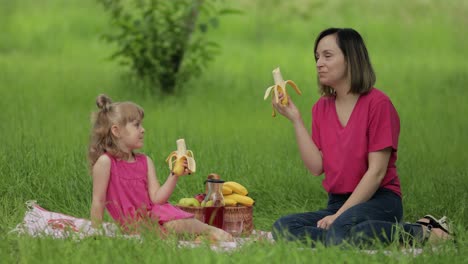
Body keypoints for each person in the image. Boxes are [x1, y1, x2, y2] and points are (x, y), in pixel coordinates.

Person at [271, 27, 452, 247]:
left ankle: (424, 232)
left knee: (341, 231)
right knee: (283, 227)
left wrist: (338, 218)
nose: (319, 63)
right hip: (338, 202)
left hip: (380, 200)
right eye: (317, 57)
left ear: (351, 58)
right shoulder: (321, 108)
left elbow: (376, 173)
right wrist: (296, 120)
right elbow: (316, 167)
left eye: (327, 56)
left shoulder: (378, 105)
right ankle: (340, 237)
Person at [88, 94, 233, 242]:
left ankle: (209, 231)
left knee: (175, 224)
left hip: (155, 216)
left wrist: (174, 174)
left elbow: (157, 199)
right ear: (116, 131)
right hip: (134, 225)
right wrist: (96, 233)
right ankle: (207, 231)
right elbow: (98, 201)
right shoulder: (105, 162)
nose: (143, 130)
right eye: (137, 125)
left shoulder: (145, 161)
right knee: (171, 227)